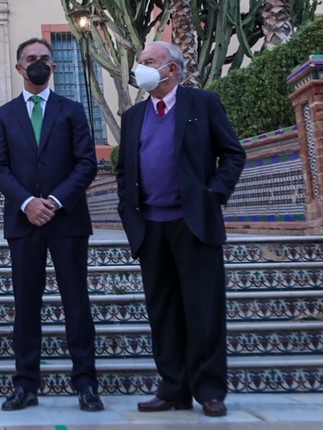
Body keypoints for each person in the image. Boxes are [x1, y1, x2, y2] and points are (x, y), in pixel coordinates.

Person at [116, 40, 246, 419]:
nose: (141, 68)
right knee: (163, 311)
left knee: (203, 310)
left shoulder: (203, 104)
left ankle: (209, 390)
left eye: (149, 61)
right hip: (150, 228)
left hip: (193, 224)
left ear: (171, 69)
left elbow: (233, 154)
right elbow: (124, 169)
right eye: (141, 62)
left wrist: (213, 195)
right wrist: (128, 211)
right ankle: (172, 388)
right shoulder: (134, 116)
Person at [0, 37, 103, 413]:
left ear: (53, 66)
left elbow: (86, 163)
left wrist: (53, 201)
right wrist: (26, 203)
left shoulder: (72, 110)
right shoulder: (4, 115)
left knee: (76, 302)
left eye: (45, 59)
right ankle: (26, 384)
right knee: (26, 305)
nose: (39, 63)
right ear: (20, 68)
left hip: (66, 220)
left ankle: (86, 383)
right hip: (24, 222)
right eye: (31, 59)